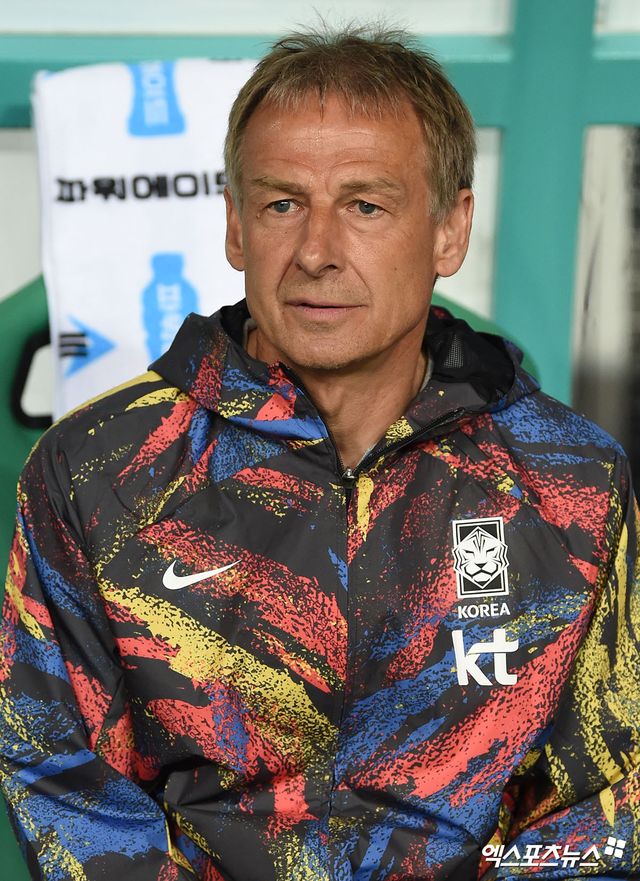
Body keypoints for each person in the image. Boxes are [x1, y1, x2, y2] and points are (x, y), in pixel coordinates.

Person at [1, 23, 638, 881]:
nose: (315, 252)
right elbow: (60, 775)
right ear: (235, 226)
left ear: (450, 230)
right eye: (282, 204)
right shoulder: (98, 468)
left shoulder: (572, 480)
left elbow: (608, 795)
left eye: (366, 205)